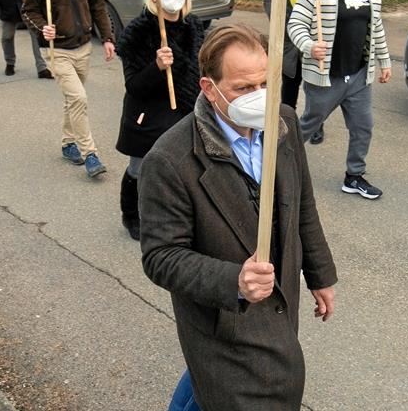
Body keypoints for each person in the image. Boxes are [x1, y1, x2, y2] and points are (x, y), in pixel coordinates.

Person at [140, 25, 337, 411]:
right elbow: (161, 257)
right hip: (223, 319)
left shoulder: (283, 122)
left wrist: (321, 274)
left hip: (278, 303)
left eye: (266, 83)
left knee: (209, 386)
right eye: (244, 89)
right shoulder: (169, 160)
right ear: (209, 88)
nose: (259, 98)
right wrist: (234, 281)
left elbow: (302, 204)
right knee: (233, 387)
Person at [288, 0, 391, 200]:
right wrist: (310, 46)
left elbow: (376, 26)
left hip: (358, 75)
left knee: (363, 127)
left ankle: (354, 176)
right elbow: (295, 24)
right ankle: (277, 167)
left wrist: (384, 60)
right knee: (309, 125)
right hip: (325, 76)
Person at [114, 0, 204, 240]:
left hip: (186, 111)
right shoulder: (138, 32)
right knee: (140, 169)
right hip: (149, 114)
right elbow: (134, 86)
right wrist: (156, 66)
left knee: (186, 170)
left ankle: (177, 216)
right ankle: (131, 214)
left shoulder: (194, 27)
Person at [21, 0, 115, 179]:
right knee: (78, 97)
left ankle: (67, 143)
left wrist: (107, 37)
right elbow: (28, 10)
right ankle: (90, 154)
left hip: (82, 46)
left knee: (73, 100)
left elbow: (97, 3)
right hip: (56, 49)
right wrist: (43, 27)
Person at [263, 0, 332, 144]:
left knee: (315, 92)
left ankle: (316, 124)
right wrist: (289, 25)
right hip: (289, 43)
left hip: (314, 45)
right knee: (289, 88)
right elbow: (269, 0)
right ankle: (286, 123)